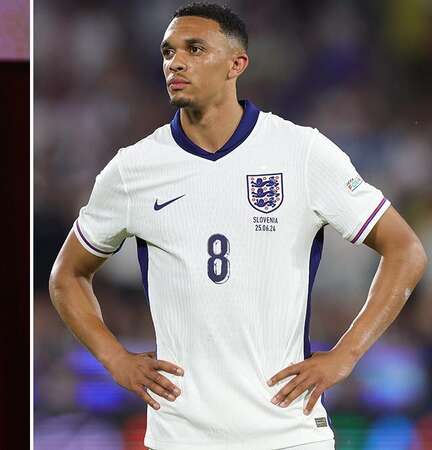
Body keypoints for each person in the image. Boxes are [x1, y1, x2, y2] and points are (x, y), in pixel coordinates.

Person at [48, 3, 427, 450]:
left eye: (195, 49)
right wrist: (115, 360)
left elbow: (406, 250)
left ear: (236, 64)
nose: (177, 62)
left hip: (288, 434)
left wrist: (346, 355)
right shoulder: (133, 169)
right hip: (181, 436)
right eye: (169, 52)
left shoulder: (301, 152)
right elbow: (66, 276)